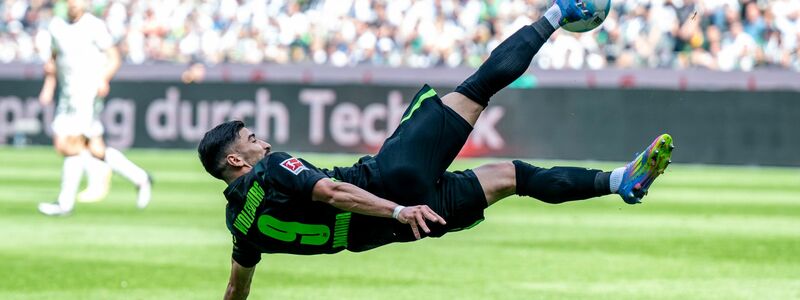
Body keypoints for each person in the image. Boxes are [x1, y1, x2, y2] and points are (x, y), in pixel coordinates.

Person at [197, 1, 674, 299]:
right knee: (476, 89)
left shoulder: (240, 227)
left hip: (403, 228)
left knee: (513, 176)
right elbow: (334, 190)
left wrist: (402, 217)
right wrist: (397, 208)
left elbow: (237, 289)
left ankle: (620, 182)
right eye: (253, 140)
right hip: (393, 191)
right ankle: (560, 12)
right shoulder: (274, 168)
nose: (266, 142)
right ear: (236, 160)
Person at [37, 0, 152, 216]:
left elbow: (114, 58)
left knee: (70, 142)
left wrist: (103, 79)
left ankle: (64, 203)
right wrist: (48, 87)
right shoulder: (56, 26)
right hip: (67, 94)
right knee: (94, 149)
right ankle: (141, 178)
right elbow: (53, 60)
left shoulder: (94, 26)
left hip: (87, 92)